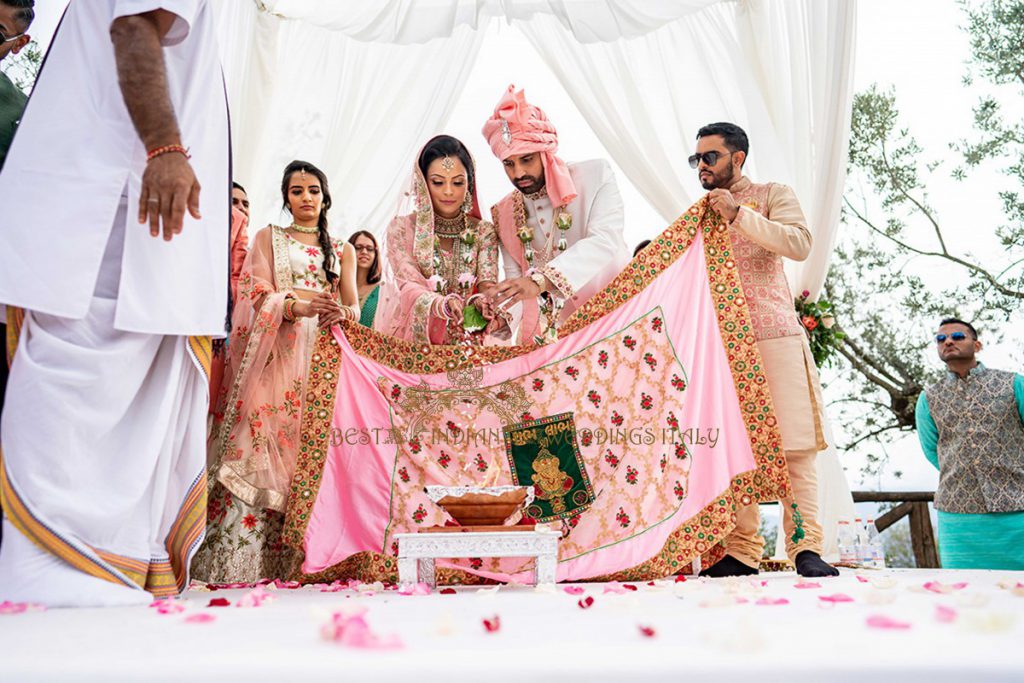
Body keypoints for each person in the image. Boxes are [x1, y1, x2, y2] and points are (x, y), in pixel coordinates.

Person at [0, 0, 229, 607]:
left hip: (124, 195)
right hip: (109, 190)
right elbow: (134, 26)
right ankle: (42, 557)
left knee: (131, 372)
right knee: (79, 361)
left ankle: (101, 563)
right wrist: (165, 149)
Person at [191, 160, 359, 583]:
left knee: (311, 451)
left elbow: (355, 308)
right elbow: (254, 291)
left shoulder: (343, 249)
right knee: (256, 442)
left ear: (325, 196)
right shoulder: (269, 238)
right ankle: (238, 561)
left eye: (314, 190)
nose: (306, 198)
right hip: (273, 358)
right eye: (297, 191)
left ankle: (300, 561)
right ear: (286, 197)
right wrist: (296, 307)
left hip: (320, 362)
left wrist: (338, 312)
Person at [691, 122, 838, 578]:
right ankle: (741, 551)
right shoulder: (697, 215)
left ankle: (805, 548)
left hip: (774, 335)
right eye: (696, 159)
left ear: (737, 158)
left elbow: (799, 244)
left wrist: (739, 214)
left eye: (710, 157)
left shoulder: (772, 194)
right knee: (734, 449)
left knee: (794, 446)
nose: (701, 166)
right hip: (720, 347)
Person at [482, 85, 627, 344]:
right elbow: (516, 280)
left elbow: (604, 240)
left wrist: (541, 281)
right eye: (509, 164)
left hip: (619, 317)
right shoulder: (503, 212)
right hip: (564, 338)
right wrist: (502, 317)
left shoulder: (595, 177)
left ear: (546, 153)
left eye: (526, 159)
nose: (518, 174)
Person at [915, 318, 1024, 569]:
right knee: (962, 592)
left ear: (977, 345)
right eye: (941, 339)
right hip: (958, 517)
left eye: (957, 336)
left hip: (1018, 508)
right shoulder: (929, 398)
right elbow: (933, 450)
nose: (948, 341)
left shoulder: (1013, 384)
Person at [374, 135, 502, 345]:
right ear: (423, 183)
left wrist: (483, 302)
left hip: (467, 343)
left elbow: (487, 285)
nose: (448, 191)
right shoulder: (402, 229)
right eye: (438, 182)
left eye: (458, 182)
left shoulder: (483, 232)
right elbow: (409, 285)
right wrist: (442, 304)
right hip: (414, 343)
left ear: (469, 184)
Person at [349, 230, 382, 328]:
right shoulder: (335, 286)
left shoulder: (383, 292)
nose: (364, 252)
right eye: (358, 248)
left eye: (370, 249)